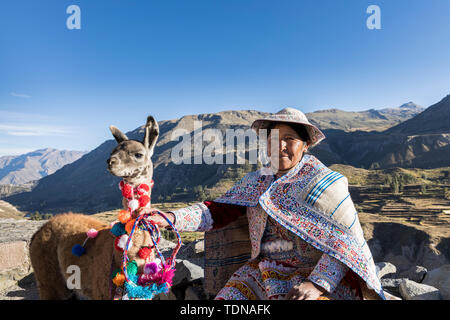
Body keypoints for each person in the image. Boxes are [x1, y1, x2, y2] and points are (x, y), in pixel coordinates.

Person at [142, 107, 385, 300]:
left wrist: (317, 284)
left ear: (305, 145)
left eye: (289, 139)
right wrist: (170, 218)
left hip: (318, 275)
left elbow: (346, 244)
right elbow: (216, 211)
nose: (280, 146)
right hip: (262, 272)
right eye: (274, 139)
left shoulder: (326, 183)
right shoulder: (256, 181)